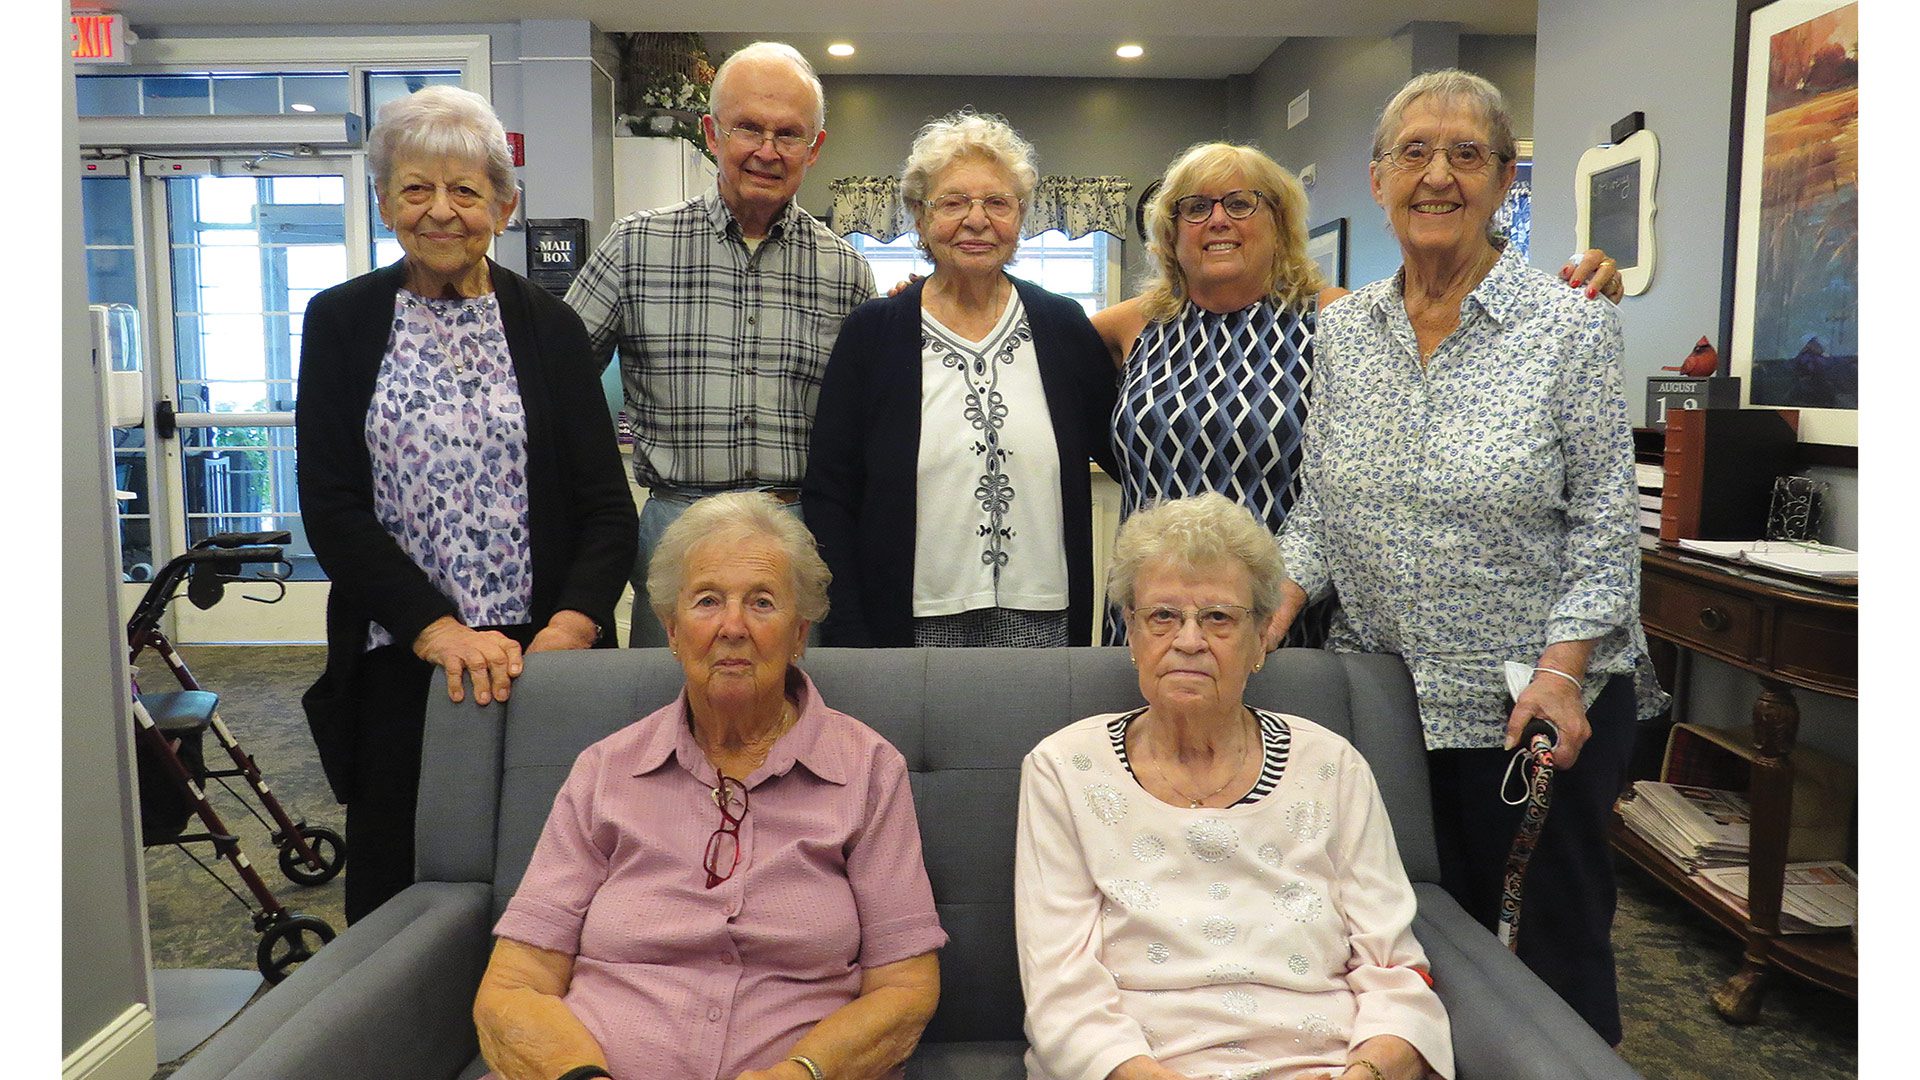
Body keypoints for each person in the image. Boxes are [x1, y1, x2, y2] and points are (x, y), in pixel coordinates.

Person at [1274, 69, 1659, 1045]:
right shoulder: (1340, 333)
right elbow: (1318, 511)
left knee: (1546, 955)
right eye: (1415, 152)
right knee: (1399, 947)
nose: (1439, 175)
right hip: (1387, 703)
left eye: (1467, 154)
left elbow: (1608, 524)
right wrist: (1257, 621)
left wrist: (1563, 676)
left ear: (1500, 183)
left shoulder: (1567, 325)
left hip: (1527, 713)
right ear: (1376, 178)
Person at [296, 85, 637, 923]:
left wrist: (573, 627)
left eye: (466, 191)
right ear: (384, 201)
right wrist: (435, 628)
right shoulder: (340, 321)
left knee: (555, 869)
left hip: (540, 658)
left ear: (505, 205)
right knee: (400, 876)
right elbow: (332, 505)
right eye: (416, 189)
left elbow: (605, 506)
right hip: (404, 655)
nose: (441, 211)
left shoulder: (551, 328)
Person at [473, 492, 946, 1080]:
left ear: (799, 634)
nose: (732, 627)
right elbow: (516, 984)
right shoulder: (605, 770)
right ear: (671, 631)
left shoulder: (869, 770)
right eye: (707, 601)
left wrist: (799, 1074)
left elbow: (905, 986)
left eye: (762, 602)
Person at [1090, 143, 1623, 646]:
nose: (1218, 219)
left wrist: (1570, 289)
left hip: (1291, 611)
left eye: (1240, 203)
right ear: (1170, 232)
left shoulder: (1339, 319)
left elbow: (1462, 347)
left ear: (1277, 224)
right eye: (1195, 207)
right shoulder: (1128, 328)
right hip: (1154, 608)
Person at [1016, 493, 1452, 1080]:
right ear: (1132, 634)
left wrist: (1367, 1073)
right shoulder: (1065, 769)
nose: (1189, 640)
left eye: (1218, 617)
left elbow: (1394, 966)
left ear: (1259, 640)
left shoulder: (1331, 766)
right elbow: (1060, 986)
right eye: (1163, 616)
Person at [565, 41, 876, 648]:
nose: (767, 150)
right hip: (676, 528)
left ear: (814, 149)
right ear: (711, 133)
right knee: (668, 713)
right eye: (748, 129)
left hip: (797, 536)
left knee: (795, 712)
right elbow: (558, 387)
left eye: (789, 134)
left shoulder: (846, 271)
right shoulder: (636, 246)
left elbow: (865, 428)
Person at [802, 111, 1118, 647]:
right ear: (920, 219)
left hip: (1044, 615)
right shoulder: (873, 335)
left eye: (997, 202)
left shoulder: (1063, 327)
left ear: (1020, 216)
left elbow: (1126, 449)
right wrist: (848, 628)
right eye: (953, 202)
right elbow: (830, 493)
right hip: (907, 621)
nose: (977, 221)